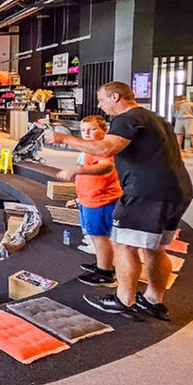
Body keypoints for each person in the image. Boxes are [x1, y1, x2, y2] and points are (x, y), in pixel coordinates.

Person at [45, 82, 193, 320]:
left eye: (102, 100)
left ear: (115, 97)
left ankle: (124, 300)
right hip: (177, 191)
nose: (100, 106)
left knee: (123, 244)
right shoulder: (155, 118)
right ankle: (154, 300)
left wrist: (65, 139)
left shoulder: (126, 119)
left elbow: (106, 149)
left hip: (145, 193)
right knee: (155, 248)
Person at [55, 115, 122, 287]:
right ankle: (102, 263)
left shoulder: (103, 150)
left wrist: (76, 171)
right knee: (94, 235)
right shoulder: (88, 150)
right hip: (87, 198)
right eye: (84, 130)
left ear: (104, 130)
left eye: (92, 129)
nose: (87, 133)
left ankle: (105, 273)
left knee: (100, 237)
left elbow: (107, 166)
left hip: (99, 200)